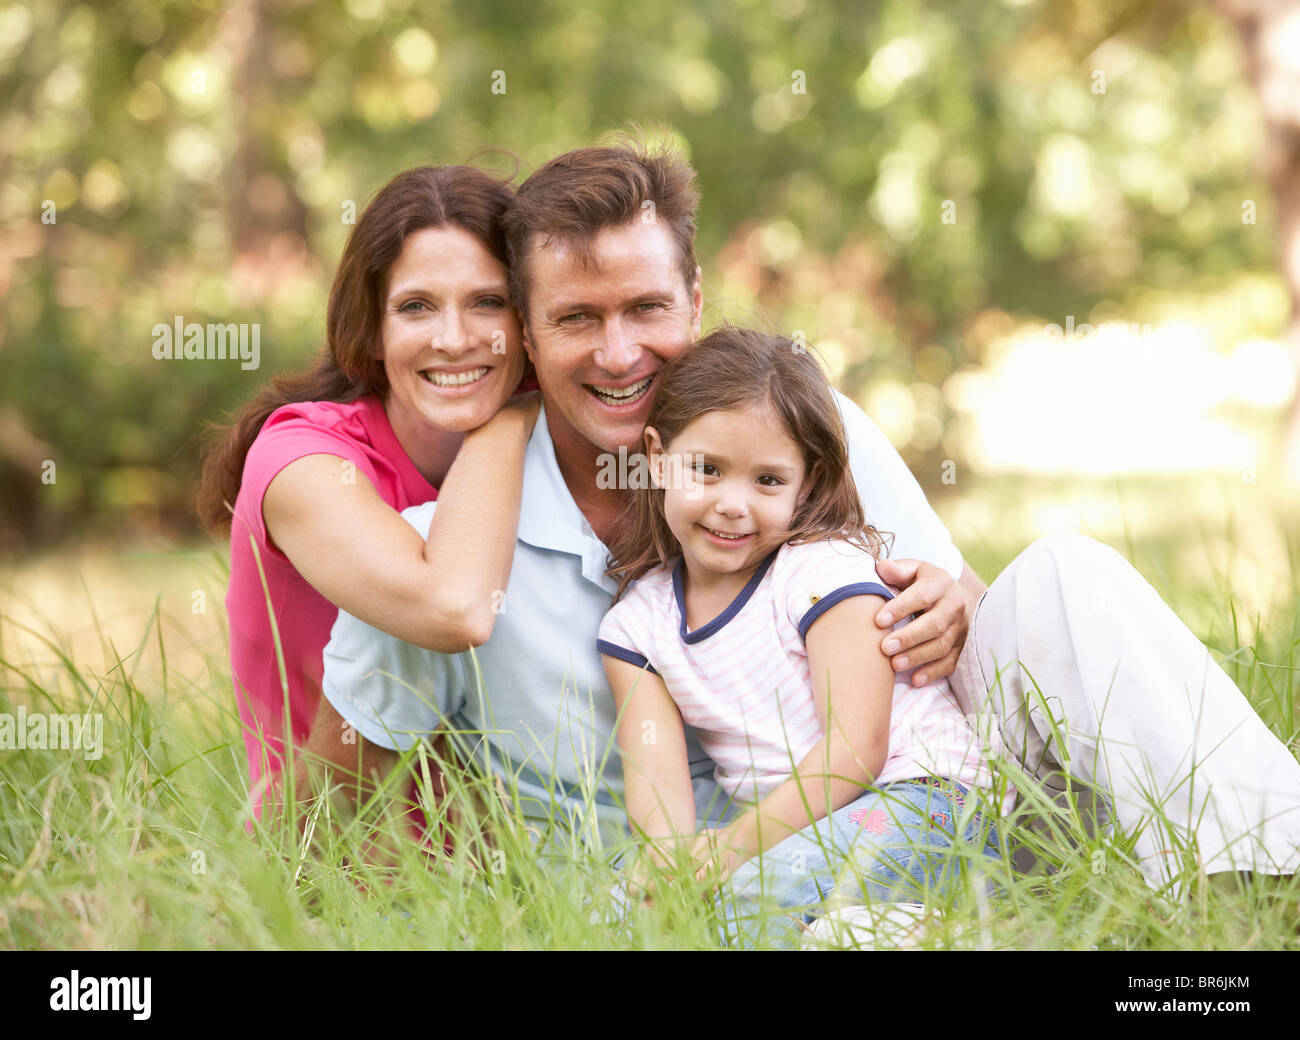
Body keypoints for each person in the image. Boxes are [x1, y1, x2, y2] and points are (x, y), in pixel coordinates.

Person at [317, 140, 1300, 902]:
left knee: (1064, 573)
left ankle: (1259, 881)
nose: (620, 353)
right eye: (577, 318)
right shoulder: (445, 551)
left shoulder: (803, 427)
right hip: (707, 893)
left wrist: (952, 602)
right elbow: (326, 806)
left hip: (932, 808)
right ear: (527, 334)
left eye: (647, 307)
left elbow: (967, 622)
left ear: (695, 301)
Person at [598, 327, 1003, 947]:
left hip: (928, 799)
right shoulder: (636, 627)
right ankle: (891, 929)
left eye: (767, 481)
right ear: (657, 457)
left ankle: (932, 927)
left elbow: (856, 750)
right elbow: (657, 794)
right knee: (629, 913)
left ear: (806, 484)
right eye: (706, 469)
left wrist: (732, 849)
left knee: (747, 912)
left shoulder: (821, 573)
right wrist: (670, 872)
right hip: (804, 835)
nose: (734, 504)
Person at [197, 165, 539, 824]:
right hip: (332, 876)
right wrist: (508, 423)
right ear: (373, 329)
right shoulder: (302, 461)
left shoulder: (554, 448)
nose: (454, 337)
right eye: (416, 306)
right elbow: (454, 609)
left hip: (516, 886)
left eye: (488, 302)